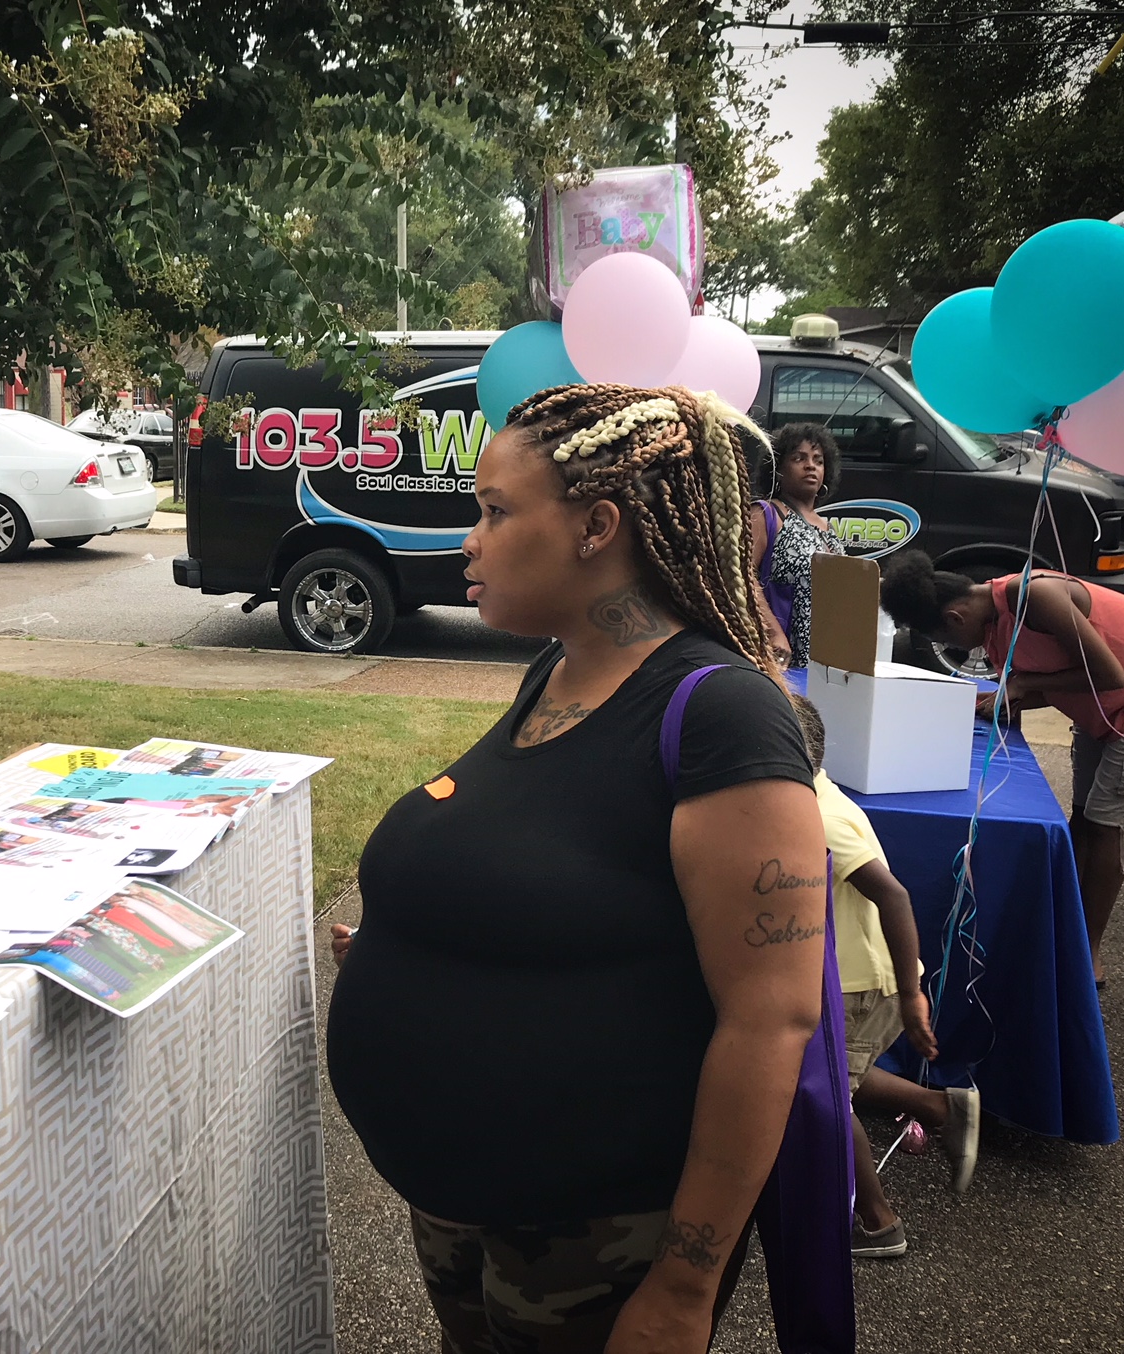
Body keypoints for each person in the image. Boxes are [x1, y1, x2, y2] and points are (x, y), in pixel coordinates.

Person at [326, 382, 829, 1354]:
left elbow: (771, 1017)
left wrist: (685, 1286)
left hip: (594, 1230)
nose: (469, 539)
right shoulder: (553, 670)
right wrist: (423, 953)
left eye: (495, 511)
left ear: (598, 525)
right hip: (463, 1200)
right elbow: (558, 878)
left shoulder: (720, 714)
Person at [880, 549, 1124, 988]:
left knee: (1105, 826)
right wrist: (1009, 698)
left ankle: (1089, 957)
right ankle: (1068, 930)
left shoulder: (1034, 597)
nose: (955, 649)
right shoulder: (992, 622)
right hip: (1100, 711)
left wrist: (1025, 684)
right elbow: (1057, 671)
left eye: (945, 639)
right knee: (1082, 818)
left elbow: (1110, 673)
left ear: (954, 617)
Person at [786, 696, 982, 1260]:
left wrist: (910, 993)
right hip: (855, 978)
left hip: (861, 985)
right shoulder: (816, 793)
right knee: (835, 1069)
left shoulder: (817, 815)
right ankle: (940, 1108)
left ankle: (877, 1222)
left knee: (823, 1098)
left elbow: (893, 895)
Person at [751, 422, 846, 668]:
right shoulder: (766, 514)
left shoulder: (827, 528)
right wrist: (773, 633)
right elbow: (741, 577)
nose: (810, 466)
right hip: (782, 657)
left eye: (818, 460)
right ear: (778, 469)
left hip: (826, 662)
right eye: (798, 458)